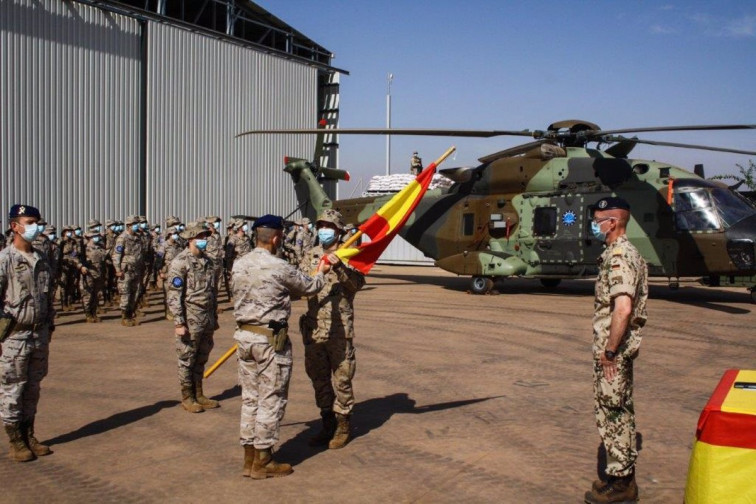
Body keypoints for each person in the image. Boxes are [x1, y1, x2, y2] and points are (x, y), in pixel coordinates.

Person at [231, 214, 334, 479]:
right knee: (271, 398)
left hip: (244, 338)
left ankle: (249, 457)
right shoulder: (279, 266)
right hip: (269, 342)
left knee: (250, 399)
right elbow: (309, 287)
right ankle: (264, 460)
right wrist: (321, 272)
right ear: (276, 238)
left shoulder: (239, 264)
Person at [584, 197, 648, 504]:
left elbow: (622, 309)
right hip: (617, 352)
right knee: (618, 410)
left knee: (613, 414)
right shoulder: (622, 253)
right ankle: (619, 477)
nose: (595, 227)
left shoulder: (620, 256)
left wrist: (609, 352)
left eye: (598, 221)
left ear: (613, 222)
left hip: (613, 355)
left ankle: (622, 485)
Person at [299, 209, 365, 449]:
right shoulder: (311, 255)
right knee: (318, 379)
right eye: (321, 225)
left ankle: (343, 425)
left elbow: (356, 285)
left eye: (328, 226)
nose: (323, 230)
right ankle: (327, 423)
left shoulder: (350, 255)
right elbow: (301, 286)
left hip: (339, 329)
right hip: (315, 329)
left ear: (338, 231)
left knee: (343, 379)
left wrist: (340, 269)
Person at [0, 204, 55, 462]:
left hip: (38, 334)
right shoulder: (5, 260)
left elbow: (48, 298)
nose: (36, 227)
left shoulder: (42, 258)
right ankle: (16, 441)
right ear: (15, 226)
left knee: (33, 388)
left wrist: (49, 328)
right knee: (13, 389)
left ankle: (29, 433)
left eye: (37, 222)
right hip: (14, 336)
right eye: (30, 222)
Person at [166, 222, 219, 413]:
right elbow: (174, 295)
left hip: (206, 318)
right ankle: (187, 396)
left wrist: (214, 316)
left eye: (206, 237)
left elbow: (212, 291)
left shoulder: (209, 262)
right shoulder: (180, 262)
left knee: (202, 357)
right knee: (187, 358)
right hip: (190, 318)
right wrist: (179, 322)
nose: (204, 240)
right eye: (201, 237)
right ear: (190, 239)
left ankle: (199, 393)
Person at [112, 215, 145, 326]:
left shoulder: (138, 237)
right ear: (129, 225)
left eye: (137, 224)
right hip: (126, 271)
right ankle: (125, 317)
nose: (137, 226)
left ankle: (130, 315)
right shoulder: (122, 238)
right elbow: (116, 254)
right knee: (125, 293)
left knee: (135, 293)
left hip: (137, 270)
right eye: (135, 224)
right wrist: (117, 269)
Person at [79, 231, 109, 323]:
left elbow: (106, 257)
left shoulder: (100, 248)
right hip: (88, 274)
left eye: (97, 236)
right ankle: (88, 314)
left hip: (99, 274)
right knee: (88, 295)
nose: (97, 238)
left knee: (96, 295)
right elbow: (75, 258)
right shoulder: (83, 249)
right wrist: (81, 266)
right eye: (94, 236)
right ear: (89, 238)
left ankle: (94, 313)